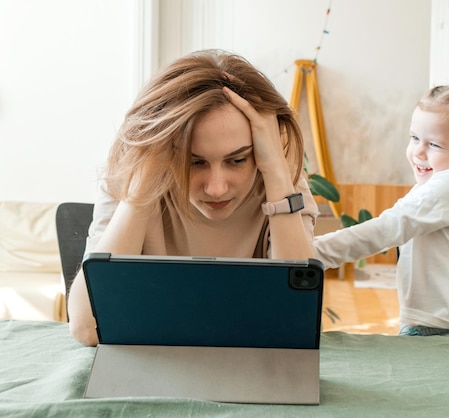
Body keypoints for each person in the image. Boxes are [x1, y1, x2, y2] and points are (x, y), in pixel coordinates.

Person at [68, 49, 318, 346]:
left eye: (237, 160)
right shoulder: (131, 177)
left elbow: (296, 321)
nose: (216, 188)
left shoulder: (283, 182)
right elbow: (87, 329)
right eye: (194, 162)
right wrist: (144, 183)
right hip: (152, 354)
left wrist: (276, 172)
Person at [314, 83, 449, 340]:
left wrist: (314, 252)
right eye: (415, 138)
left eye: (434, 145)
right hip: (443, 328)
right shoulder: (439, 185)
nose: (418, 151)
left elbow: (388, 227)